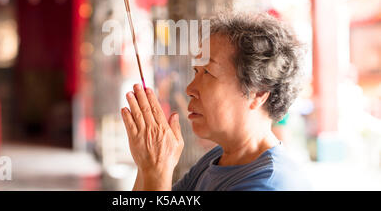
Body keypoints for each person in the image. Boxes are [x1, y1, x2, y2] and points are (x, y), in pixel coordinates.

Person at [121, 10, 312, 190]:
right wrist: (148, 163)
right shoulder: (219, 158)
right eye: (196, 71)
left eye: (208, 73)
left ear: (258, 92)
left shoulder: (268, 183)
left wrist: (156, 168)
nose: (190, 89)